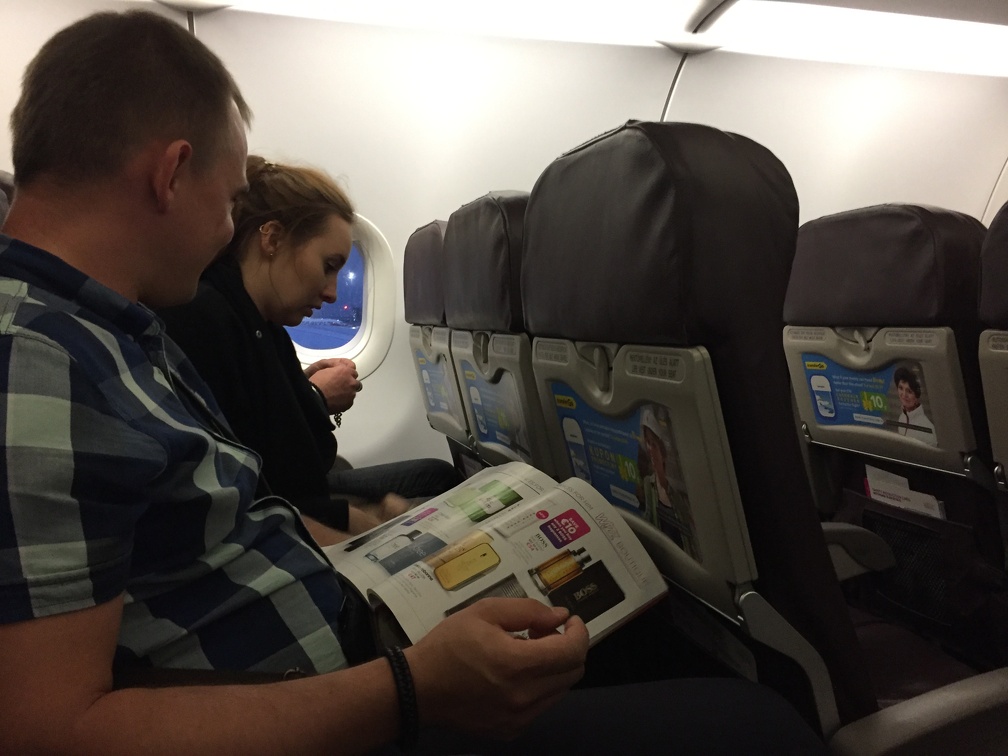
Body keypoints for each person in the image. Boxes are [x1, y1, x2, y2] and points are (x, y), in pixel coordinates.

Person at [0, 10, 828, 754]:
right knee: (760, 727)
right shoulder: (39, 361)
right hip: (339, 706)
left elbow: (232, 514)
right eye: (226, 202)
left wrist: (371, 554)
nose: (227, 231)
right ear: (171, 174)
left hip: (345, 640)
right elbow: (47, 732)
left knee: (624, 626)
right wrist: (411, 690)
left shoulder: (111, 333)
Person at [156, 156, 459, 538]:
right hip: (273, 520)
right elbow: (259, 493)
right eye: (328, 265)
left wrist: (301, 391)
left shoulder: (264, 327)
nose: (332, 292)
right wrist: (357, 522)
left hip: (292, 502)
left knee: (434, 476)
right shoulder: (206, 320)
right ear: (272, 239)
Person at [893, 365, 938, 447]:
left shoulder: (928, 429)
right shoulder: (902, 417)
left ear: (917, 396)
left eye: (909, 391)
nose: (904, 395)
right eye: (901, 388)